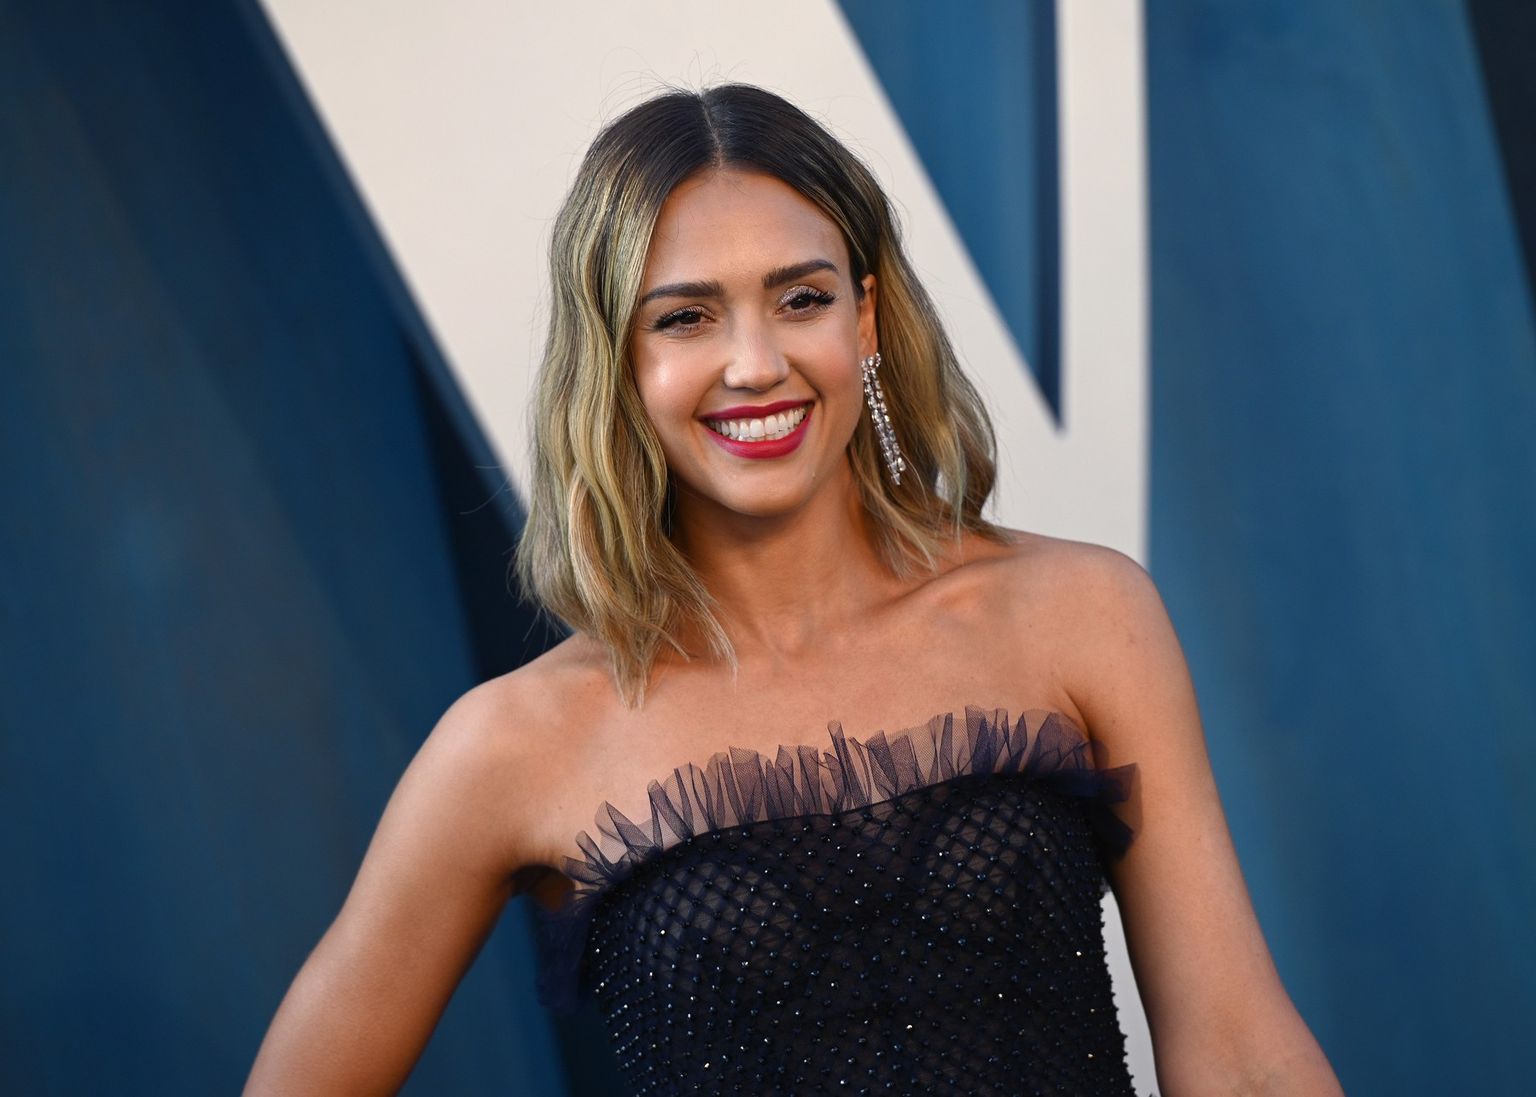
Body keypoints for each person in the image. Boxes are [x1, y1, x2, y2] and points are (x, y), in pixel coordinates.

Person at [246, 83, 1343, 1096]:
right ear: (618, 360)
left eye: (800, 297)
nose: (757, 363)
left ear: (863, 319)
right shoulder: (514, 745)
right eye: (686, 317)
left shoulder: (1083, 614)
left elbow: (1240, 1053)